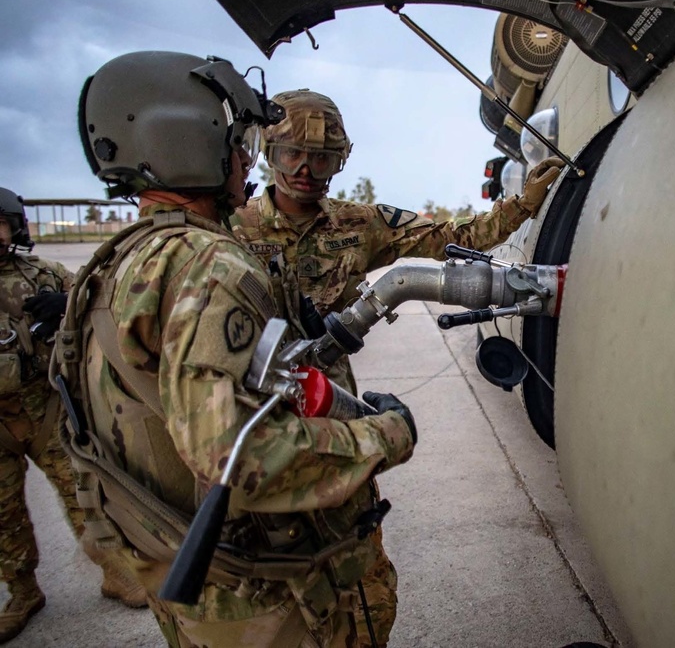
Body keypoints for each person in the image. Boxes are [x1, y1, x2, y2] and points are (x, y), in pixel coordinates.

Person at [62, 51, 417, 647]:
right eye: (239, 142)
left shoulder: (117, 262)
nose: (246, 158)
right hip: (266, 597)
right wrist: (388, 435)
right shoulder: (211, 264)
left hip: (181, 568)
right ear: (186, 140)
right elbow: (241, 459)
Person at [231, 90, 562, 646]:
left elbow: (455, 237)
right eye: (292, 154)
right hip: (250, 415)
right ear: (269, 152)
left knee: (360, 576)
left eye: (325, 157)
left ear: (343, 160)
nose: (307, 170)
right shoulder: (232, 230)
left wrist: (525, 200)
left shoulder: (361, 224)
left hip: (329, 406)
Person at [0, 188, 146, 643]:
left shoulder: (43, 275)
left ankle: (116, 572)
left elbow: (102, 297)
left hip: (44, 410)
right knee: (4, 517)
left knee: (85, 495)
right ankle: (23, 591)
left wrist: (68, 304)